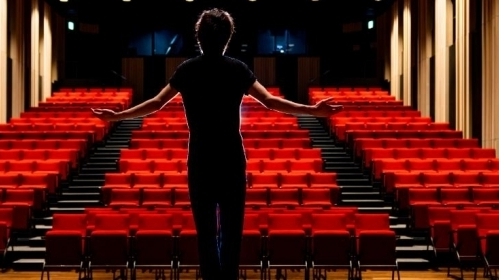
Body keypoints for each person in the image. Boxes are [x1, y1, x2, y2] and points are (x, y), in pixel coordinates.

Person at [92, 8, 342, 280]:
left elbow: (155, 103)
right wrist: (313, 110)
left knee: (206, 235)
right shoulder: (237, 69)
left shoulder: (187, 70)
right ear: (228, 38)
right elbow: (271, 102)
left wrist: (118, 116)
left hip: (200, 160)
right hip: (232, 159)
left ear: (199, 37)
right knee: (232, 233)